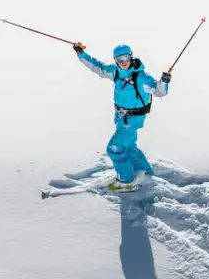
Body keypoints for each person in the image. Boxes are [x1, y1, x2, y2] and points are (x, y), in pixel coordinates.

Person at [73, 42, 171, 191]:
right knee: (129, 147)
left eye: (126, 58)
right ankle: (145, 171)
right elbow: (98, 67)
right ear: (115, 61)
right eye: (119, 59)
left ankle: (126, 182)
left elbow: (159, 92)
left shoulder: (142, 77)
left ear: (131, 57)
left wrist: (164, 82)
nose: (123, 62)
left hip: (132, 120)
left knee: (115, 148)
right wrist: (81, 54)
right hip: (121, 118)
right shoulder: (115, 72)